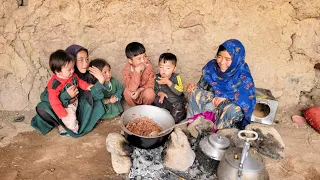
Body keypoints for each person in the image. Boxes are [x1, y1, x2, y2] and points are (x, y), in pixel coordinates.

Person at [31, 45, 106, 137]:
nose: (86, 64)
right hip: (63, 108)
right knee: (48, 111)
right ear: (58, 71)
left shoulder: (75, 75)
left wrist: (95, 84)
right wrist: (66, 96)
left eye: (87, 59)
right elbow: (50, 99)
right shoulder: (55, 83)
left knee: (76, 116)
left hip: (75, 104)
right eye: (80, 60)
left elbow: (82, 83)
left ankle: (74, 125)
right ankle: (65, 129)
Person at [187, 39, 256, 130]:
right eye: (219, 57)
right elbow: (201, 87)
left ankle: (220, 136)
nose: (222, 62)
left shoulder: (243, 75)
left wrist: (226, 98)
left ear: (236, 59)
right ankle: (194, 129)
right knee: (195, 93)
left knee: (232, 109)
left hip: (228, 109)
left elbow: (247, 101)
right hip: (212, 104)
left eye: (227, 59)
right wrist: (193, 87)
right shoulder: (212, 67)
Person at [153, 53, 187, 123]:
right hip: (166, 101)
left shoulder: (176, 77)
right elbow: (155, 89)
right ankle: (166, 113)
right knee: (155, 101)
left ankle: (180, 113)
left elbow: (180, 91)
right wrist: (160, 93)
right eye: (161, 67)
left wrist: (168, 82)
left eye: (168, 68)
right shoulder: (157, 77)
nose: (164, 70)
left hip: (176, 103)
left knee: (174, 119)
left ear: (174, 69)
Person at [122, 42, 155, 106]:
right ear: (130, 61)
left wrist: (139, 90)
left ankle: (145, 107)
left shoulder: (148, 66)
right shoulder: (126, 71)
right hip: (133, 92)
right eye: (139, 59)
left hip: (143, 91)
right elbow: (132, 88)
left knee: (150, 93)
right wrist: (137, 71)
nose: (143, 61)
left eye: (144, 56)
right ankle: (135, 109)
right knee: (127, 92)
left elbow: (151, 83)